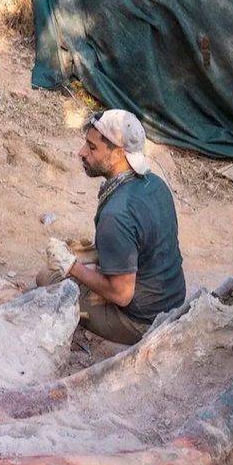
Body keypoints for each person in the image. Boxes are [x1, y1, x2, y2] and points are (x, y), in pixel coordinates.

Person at [37, 109, 186, 345]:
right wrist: (90, 253)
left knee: (48, 277)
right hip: (173, 300)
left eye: (92, 147)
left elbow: (122, 295)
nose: (81, 153)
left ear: (118, 154)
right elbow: (144, 242)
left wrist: (72, 266)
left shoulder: (116, 215)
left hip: (141, 321)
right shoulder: (155, 184)